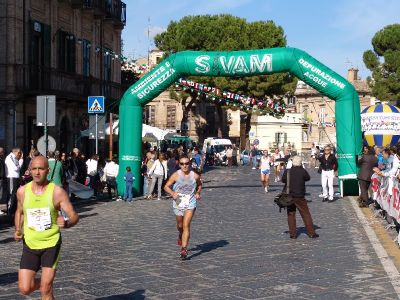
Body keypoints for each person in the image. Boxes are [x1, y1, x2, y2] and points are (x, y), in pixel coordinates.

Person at [14, 155, 79, 299]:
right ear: (30, 170)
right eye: (34, 169)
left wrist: (67, 223)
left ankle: (46, 286)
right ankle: (45, 284)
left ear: (47, 171)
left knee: (45, 290)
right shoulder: (22, 191)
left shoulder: (57, 192)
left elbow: (74, 216)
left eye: (41, 169)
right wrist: (18, 229)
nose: (37, 172)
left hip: (51, 243)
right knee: (25, 288)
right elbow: (20, 212)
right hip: (30, 244)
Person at [164, 154, 202, 259]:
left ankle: (184, 249)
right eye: (182, 164)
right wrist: (172, 193)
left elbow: (199, 185)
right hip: (178, 202)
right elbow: (166, 186)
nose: (184, 166)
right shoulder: (176, 175)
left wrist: (198, 193)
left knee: (186, 225)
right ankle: (180, 234)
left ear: (189, 164)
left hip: (190, 202)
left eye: (186, 163)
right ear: (179, 164)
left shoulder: (195, 175)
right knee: (180, 226)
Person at [281, 156, 318, 239]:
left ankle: (292, 234)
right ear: (300, 163)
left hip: (289, 196)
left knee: (291, 214)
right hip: (299, 196)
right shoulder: (302, 171)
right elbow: (308, 178)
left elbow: (283, 180)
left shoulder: (288, 171)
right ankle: (311, 233)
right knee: (305, 214)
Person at [5, 147, 23, 216]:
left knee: (14, 194)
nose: (19, 155)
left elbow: (17, 167)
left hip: (15, 177)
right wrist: (21, 160)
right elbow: (16, 168)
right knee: (11, 193)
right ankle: (10, 210)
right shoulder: (10, 157)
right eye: (19, 153)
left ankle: (12, 209)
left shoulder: (13, 157)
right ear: (15, 152)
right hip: (12, 177)